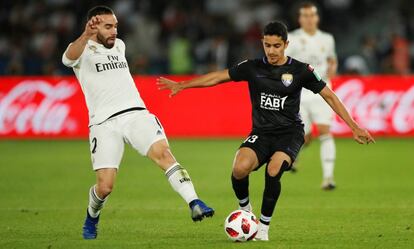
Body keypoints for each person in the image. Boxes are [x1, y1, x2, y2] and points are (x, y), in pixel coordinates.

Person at [158, 21, 374, 241]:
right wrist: (183, 85)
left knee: (273, 170)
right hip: (261, 133)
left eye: (276, 46)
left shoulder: (301, 70)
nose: (271, 51)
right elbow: (218, 77)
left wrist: (354, 126)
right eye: (267, 45)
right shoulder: (252, 67)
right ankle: (246, 210)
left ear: (286, 45)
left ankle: (263, 229)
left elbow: (329, 95)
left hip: (290, 133)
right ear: (263, 43)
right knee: (239, 168)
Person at [61, 6, 214, 240]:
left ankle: (194, 201)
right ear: (93, 26)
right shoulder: (82, 50)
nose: (114, 31)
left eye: (115, 26)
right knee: (105, 187)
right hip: (104, 123)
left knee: (164, 153)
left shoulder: (119, 45)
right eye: (108, 26)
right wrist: (84, 36)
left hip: (136, 113)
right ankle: (92, 216)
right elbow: (67, 58)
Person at [285, 2, 338, 190]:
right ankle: (295, 156)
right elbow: (285, 63)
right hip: (300, 93)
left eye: (312, 15)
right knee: (305, 137)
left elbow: (332, 59)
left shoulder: (327, 39)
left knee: (325, 130)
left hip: (322, 90)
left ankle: (328, 178)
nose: (309, 18)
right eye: (305, 15)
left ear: (317, 17)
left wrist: (330, 73)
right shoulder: (291, 38)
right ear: (300, 19)